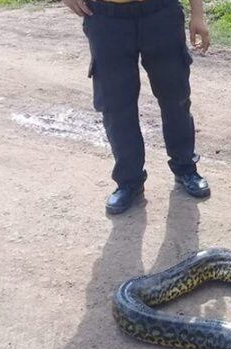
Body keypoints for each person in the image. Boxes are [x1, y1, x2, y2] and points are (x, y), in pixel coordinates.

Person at [63, 0, 212, 215]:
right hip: (106, 17)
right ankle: (129, 181)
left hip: (161, 13)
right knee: (116, 105)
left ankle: (185, 168)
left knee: (175, 97)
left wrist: (198, 13)